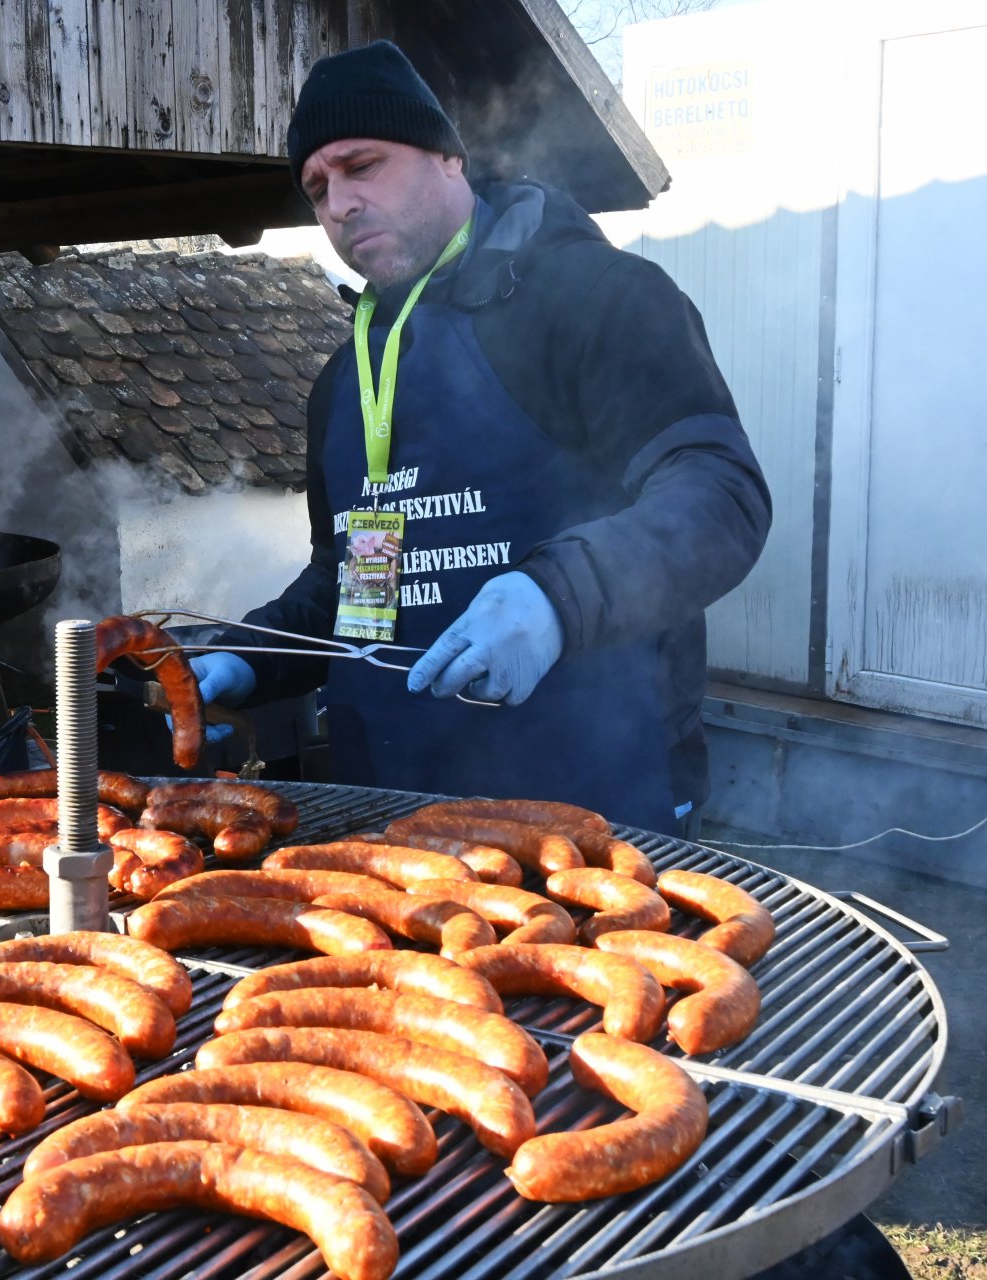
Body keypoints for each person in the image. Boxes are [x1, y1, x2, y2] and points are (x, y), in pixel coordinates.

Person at [192, 41, 772, 835]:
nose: (338, 204)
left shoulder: (596, 298)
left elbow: (720, 496)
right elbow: (364, 582)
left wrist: (554, 598)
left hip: (594, 797)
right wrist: (246, 658)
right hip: (391, 812)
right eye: (318, 186)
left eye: (362, 165)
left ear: (447, 158)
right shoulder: (345, 379)